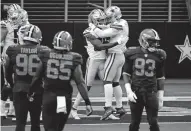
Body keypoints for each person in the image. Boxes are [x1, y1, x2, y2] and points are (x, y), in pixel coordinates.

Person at [28, 31, 93, 131]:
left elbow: (36, 77)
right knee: (58, 128)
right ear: (69, 43)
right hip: (63, 98)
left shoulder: (46, 54)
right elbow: (80, 82)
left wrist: (30, 91)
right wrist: (87, 102)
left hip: (49, 97)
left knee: (49, 128)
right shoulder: (74, 57)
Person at [71, 9, 120, 120]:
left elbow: (118, 29)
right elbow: (99, 46)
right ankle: (74, 108)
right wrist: (118, 42)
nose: (102, 22)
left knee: (109, 85)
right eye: (100, 20)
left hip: (103, 61)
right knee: (86, 86)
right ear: (93, 20)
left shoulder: (107, 28)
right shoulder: (88, 31)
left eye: (104, 19)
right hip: (93, 61)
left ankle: (109, 109)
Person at [85, 6, 129, 120]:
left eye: (109, 17)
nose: (107, 19)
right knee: (115, 83)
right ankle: (119, 107)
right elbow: (107, 27)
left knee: (107, 80)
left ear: (114, 16)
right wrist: (99, 26)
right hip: (120, 55)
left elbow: (102, 34)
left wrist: (92, 27)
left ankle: (108, 107)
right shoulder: (122, 22)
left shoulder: (119, 25)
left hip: (114, 54)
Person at [123, 28, 166, 131]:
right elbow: (126, 73)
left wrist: (160, 97)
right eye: (152, 41)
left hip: (151, 92)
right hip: (136, 92)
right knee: (134, 122)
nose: (154, 44)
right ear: (143, 40)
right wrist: (129, 91)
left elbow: (160, 77)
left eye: (156, 42)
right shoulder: (131, 53)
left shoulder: (159, 55)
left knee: (154, 122)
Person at [5, 24, 44, 131]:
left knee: (20, 124)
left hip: (19, 88)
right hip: (37, 90)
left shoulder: (13, 49)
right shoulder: (44, 51)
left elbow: (7, 73)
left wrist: (13, 85)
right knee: (35, 124)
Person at [0, 4, 23, 118]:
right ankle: (2, 109)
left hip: (18, 57)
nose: (19, 14)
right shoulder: (5, 24)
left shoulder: (21, 25)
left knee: (16, 83)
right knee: (8, 83)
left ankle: (12, 109)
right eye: (17, 12)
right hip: (7, 57)